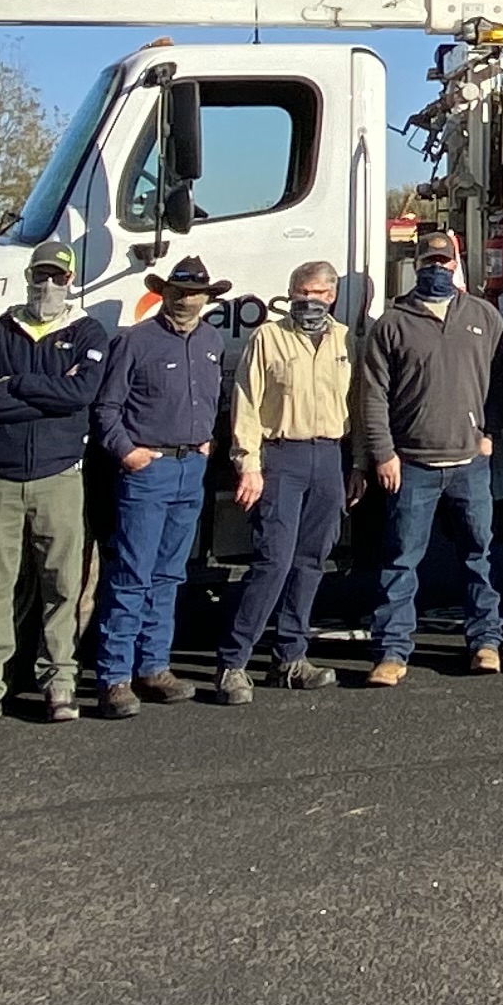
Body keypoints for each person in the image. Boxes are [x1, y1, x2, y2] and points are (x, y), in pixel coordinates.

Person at [0, 246, 111, 728]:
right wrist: (49, 394)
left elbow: (82, 395)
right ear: (27, 276)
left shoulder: (87, 331)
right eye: (40, 276)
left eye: (57, 276)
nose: (48, 286)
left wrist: (16, 382)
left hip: (60, 478)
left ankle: (59, 681)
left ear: (71, 278)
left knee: (63, 585)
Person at [352, 230, 503, 683]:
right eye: (428, 261)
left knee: (479, 555)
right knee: (401, 561)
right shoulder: (392, 324)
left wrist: (489, 432)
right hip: (412, 465)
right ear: (415, 264)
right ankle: (393, 652)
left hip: (469, 465)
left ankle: (486, 643)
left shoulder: (483, 316)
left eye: (444, 260)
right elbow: (372, 396)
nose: (437, 267)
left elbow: (502, 379)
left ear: (457, 263)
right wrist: (383, 453)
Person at [88, 258, 236, 715]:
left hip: (191, 468)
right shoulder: (134, 342)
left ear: (206, 298)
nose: (184, 299)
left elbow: (215, 398)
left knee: (170, 574)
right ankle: (114, 676)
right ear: (163, 293)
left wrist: (208, 441)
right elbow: (106, 409)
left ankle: (154, 666)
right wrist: (128, 453)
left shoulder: (212, 341)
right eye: (177, 291)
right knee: (132, 573)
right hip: (146, 469)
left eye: (194, 292)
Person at [218, 258, 355, 697]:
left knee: (312, 561)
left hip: (329, 456)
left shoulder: (344, 340)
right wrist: (248, 464)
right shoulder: (269, 338)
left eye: (316, 294)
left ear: (330, 296)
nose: (308, 301)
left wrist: (361, 465)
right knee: (272, 562)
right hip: (282, 457)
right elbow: (246, 402)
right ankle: (233, 663)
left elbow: (361, 400)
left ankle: (290, 657)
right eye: (300, 292)